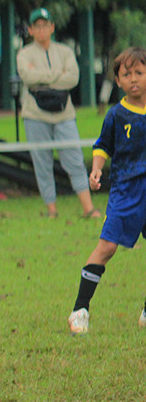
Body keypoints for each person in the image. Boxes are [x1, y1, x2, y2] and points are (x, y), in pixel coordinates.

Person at [67, 46, 146, 334]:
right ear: (119, 81)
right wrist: (97, 168)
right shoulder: (116, 114)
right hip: (126, 189)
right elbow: (103, 145)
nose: (134, 79)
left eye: (140, 72)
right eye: (127, 74)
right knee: (107, 247)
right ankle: (80, 310)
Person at [17, 8, 99, 219]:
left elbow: (72, 78)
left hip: (64, 114)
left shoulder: (65, 52)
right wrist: (57, 75)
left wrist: (42, 78)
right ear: (30, 30)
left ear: (52, 27)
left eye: (45, 25)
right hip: (35, 114)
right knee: (42, 162)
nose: (41, 29)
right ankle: (51, 210)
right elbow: (27, 76)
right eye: (37, 26)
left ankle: (88, 208)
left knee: (75, 160)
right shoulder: (24, 54)